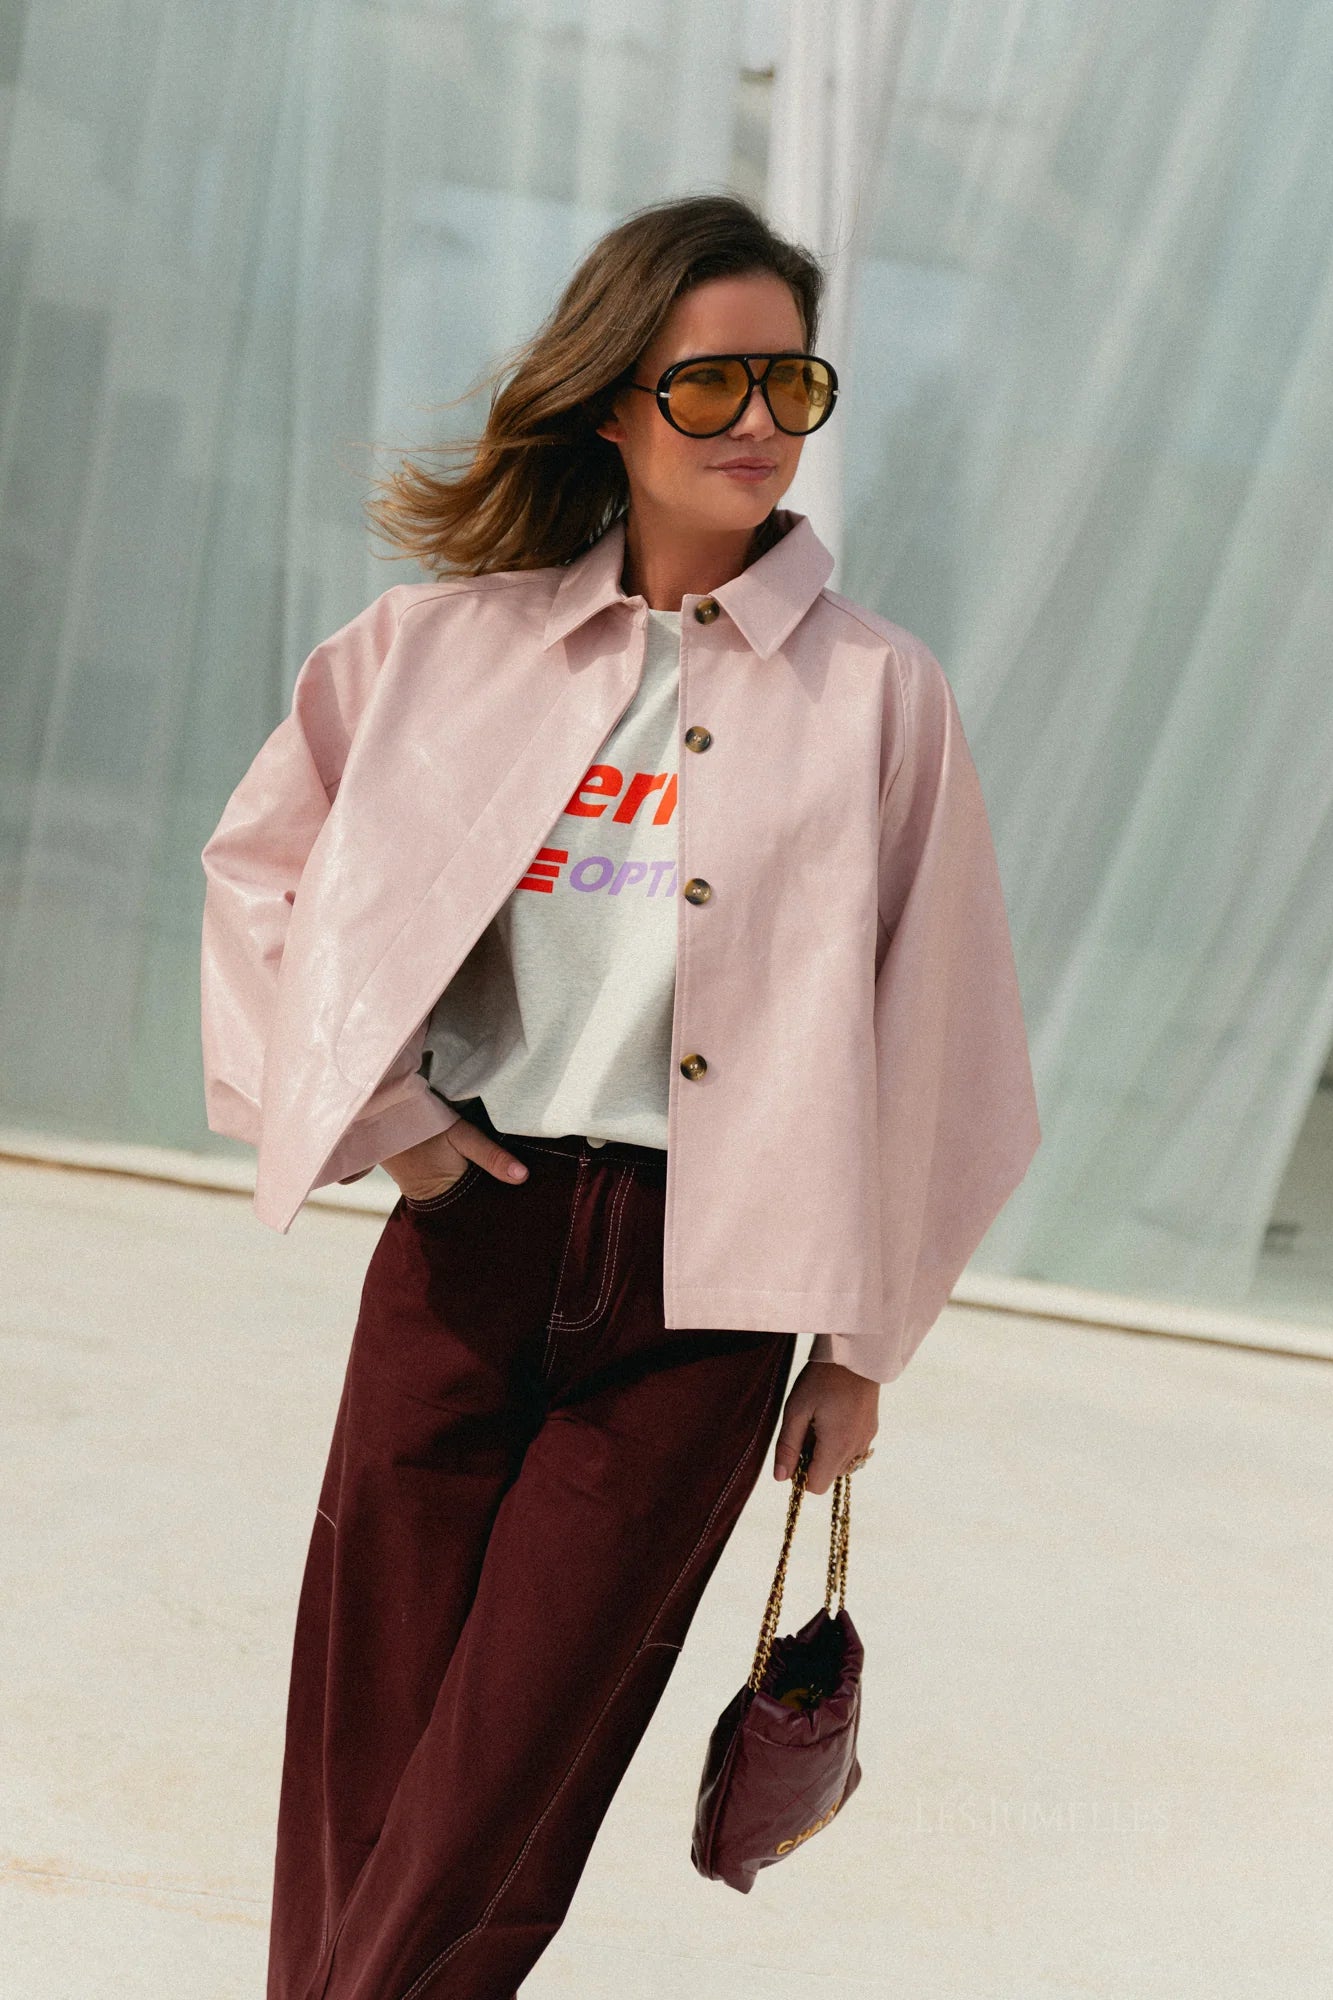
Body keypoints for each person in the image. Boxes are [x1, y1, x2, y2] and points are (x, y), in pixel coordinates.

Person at [199, 192, 1040, 2000]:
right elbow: (262, 875)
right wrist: (395, 1128)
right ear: (608, 399)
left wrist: (861, 1351)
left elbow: (944, 1035)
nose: (758, 420)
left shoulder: (880, 696)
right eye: (708, 381)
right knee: (364, 1748)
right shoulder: (438, 648)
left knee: (513, 1771)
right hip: (468, 1244)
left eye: (791, 381)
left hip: (701, 1297)